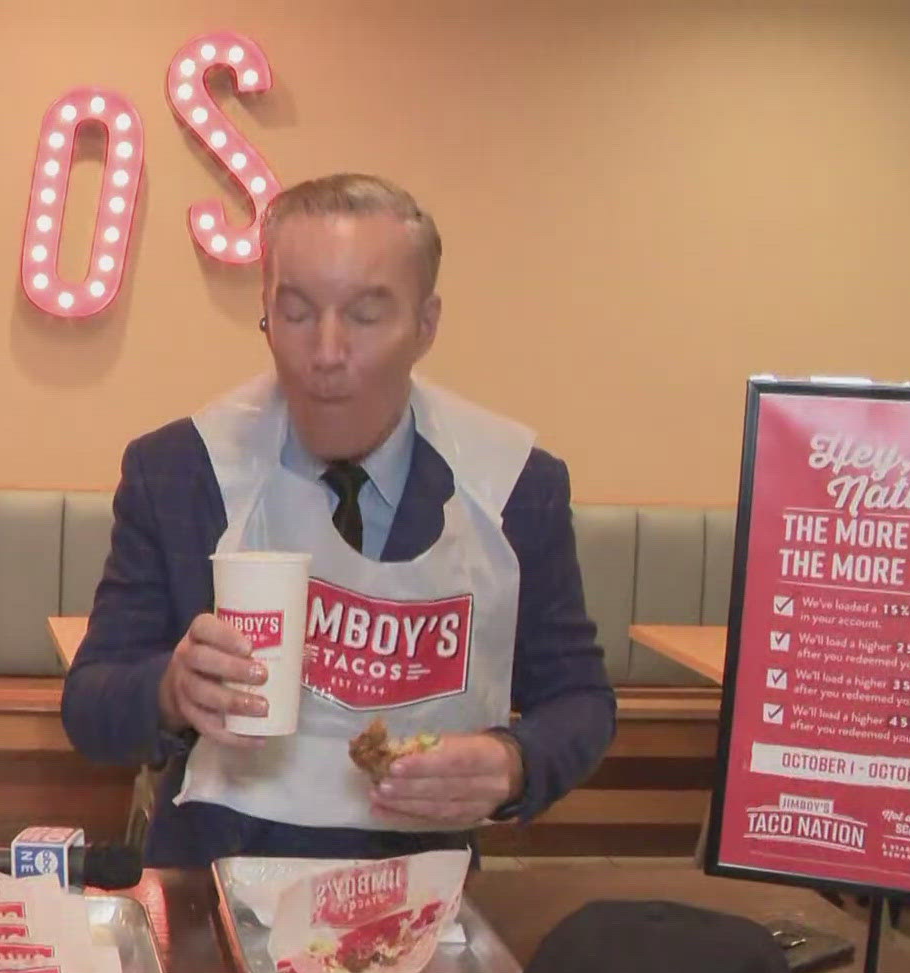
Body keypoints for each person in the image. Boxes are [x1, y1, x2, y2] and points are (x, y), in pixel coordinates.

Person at [62, 174, 615, 868]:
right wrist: (170, 691)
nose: (325, 354)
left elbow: (580, 700)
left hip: (426, 882)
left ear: (425, 324)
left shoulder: (515, 486)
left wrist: (514, 762)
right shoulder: (179, 472)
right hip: (215, 878)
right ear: (264, 313)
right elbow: (90, 705)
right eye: (296, 313)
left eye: (364, 314)